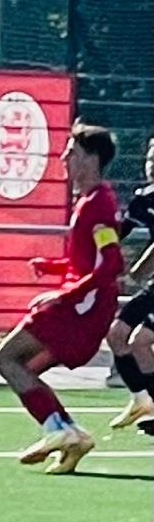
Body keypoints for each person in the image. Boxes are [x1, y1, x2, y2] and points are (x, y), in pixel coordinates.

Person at [0, 123, 123, 475]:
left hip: (78, 312)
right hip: (79, 309)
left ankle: (57, 429)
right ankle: (71, 434)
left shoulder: (99, 205)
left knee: (6, 358)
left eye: (72, 152)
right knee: (26, 370)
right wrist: (51, 267)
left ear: (91, 160)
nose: (64, 157)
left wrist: (62, 294)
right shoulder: (91, 201)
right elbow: (88, 261)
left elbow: (112, 264)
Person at [106, 136, 154, 430]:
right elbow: (114, 235)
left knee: (141, 341)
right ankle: (142, 400)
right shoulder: (143, 200)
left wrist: (135, 272)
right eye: (150, 159)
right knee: (117, 335)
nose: (152, 165)